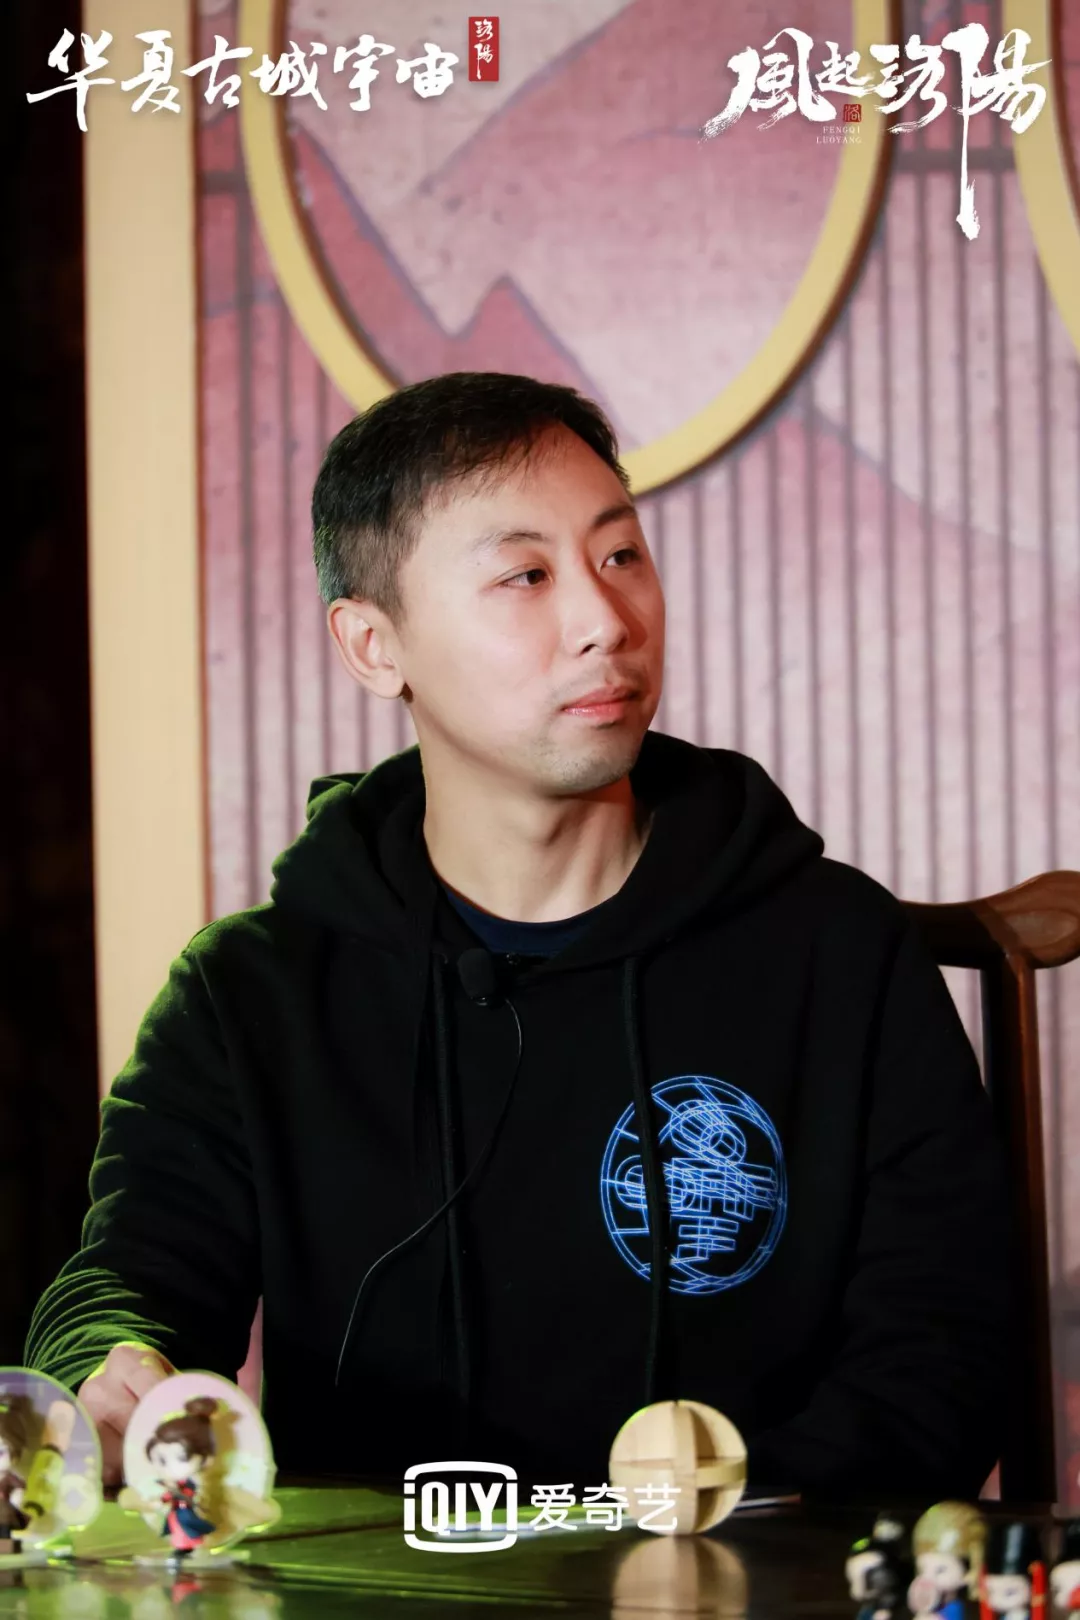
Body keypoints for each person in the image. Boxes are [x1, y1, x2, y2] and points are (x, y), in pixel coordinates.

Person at [26, 371, 1010, 1495]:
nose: (606, 621)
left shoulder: (838, 952)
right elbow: (125, 1282)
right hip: (384, 1581)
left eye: (621, 554)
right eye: (526, 576)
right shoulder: (250, 990)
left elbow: (943, 1354)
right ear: (373, 645)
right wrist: (111, 1366)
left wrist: (702, 1529)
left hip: (738, 1571)